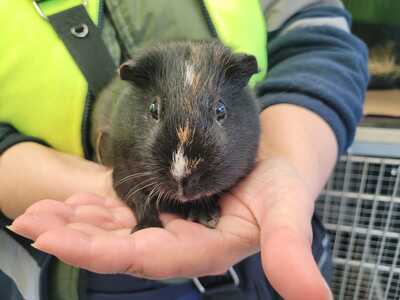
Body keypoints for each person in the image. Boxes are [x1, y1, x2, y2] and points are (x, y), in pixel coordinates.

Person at [0, 0, 368, 299]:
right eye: (155, 112)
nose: (183, 171)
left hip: (259, 267)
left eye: (220, 112)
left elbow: (317, 38)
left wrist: (289, 157)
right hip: (55, 273)